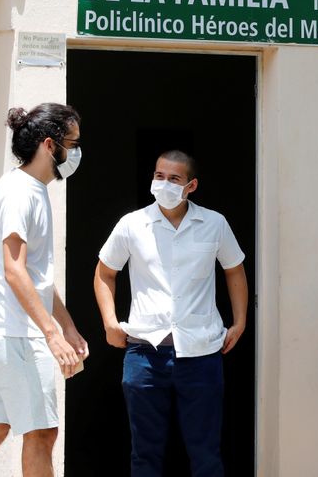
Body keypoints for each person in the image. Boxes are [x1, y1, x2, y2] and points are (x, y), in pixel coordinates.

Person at [93, 149, 248, 477]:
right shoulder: (132, 224)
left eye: (174, 179)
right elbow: (105, 272)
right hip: (144, 355)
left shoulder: (214, 223)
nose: (163, 183)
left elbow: (234, 269)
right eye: (159, 176)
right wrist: (109, 322)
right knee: (145, 455)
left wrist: (240, 321)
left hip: (202, 354)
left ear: (191, 186)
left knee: (205, 454)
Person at [0, 104, 90, 477]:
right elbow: (14, 271)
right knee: (42, 434)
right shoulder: (22, 193)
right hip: (19, 335)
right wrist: (50, 333)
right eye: (73, 143)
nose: (76, 151)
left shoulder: (29, 189)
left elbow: (35, 275)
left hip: (11, 331)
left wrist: (65, 325)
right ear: (50, 145)